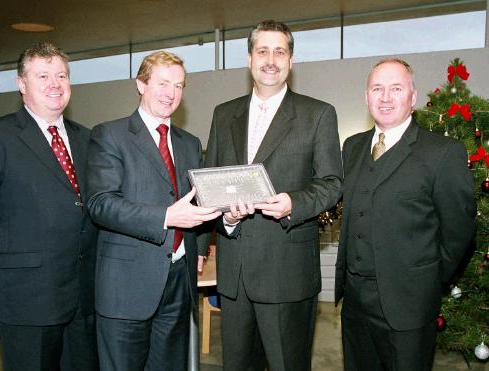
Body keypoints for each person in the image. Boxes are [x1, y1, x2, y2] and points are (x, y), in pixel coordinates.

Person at [200, 20, 343, 371]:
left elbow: (332, 183)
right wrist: (225, 218)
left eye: (280, 51)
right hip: (235, 276)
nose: (270, 59)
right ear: (249, 59)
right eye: (262, 50)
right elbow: (211, 186)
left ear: (291, 61)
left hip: (287, 275)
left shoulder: (318, 114)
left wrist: (294, 202)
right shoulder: (223, 114)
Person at [0, 42, 99, 371]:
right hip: (26, 299)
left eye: (61, 75)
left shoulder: (87, 139)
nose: (55, 84)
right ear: (21, 84)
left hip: (82, 299)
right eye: (43, 75)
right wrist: (3, 268)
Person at [335, 58, 476, 370]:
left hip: (409, 304)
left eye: (396, 88)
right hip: (355, 303)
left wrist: (426, 280)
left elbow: (459, 230)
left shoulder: (442, 152)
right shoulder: (352, 147)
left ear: (413, 98)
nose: (385, 97)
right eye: (377, 88)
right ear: (366, 96)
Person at [86, 50, 221, 371]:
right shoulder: (110, 135)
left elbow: (197, 201)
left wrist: (200, 245)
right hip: (126, 285)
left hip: (178, 281)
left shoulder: (189, 142)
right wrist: (165, 218)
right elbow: (100, 204)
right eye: (163, 83)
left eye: (179, 85)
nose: (171, 93)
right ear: (141, 84)